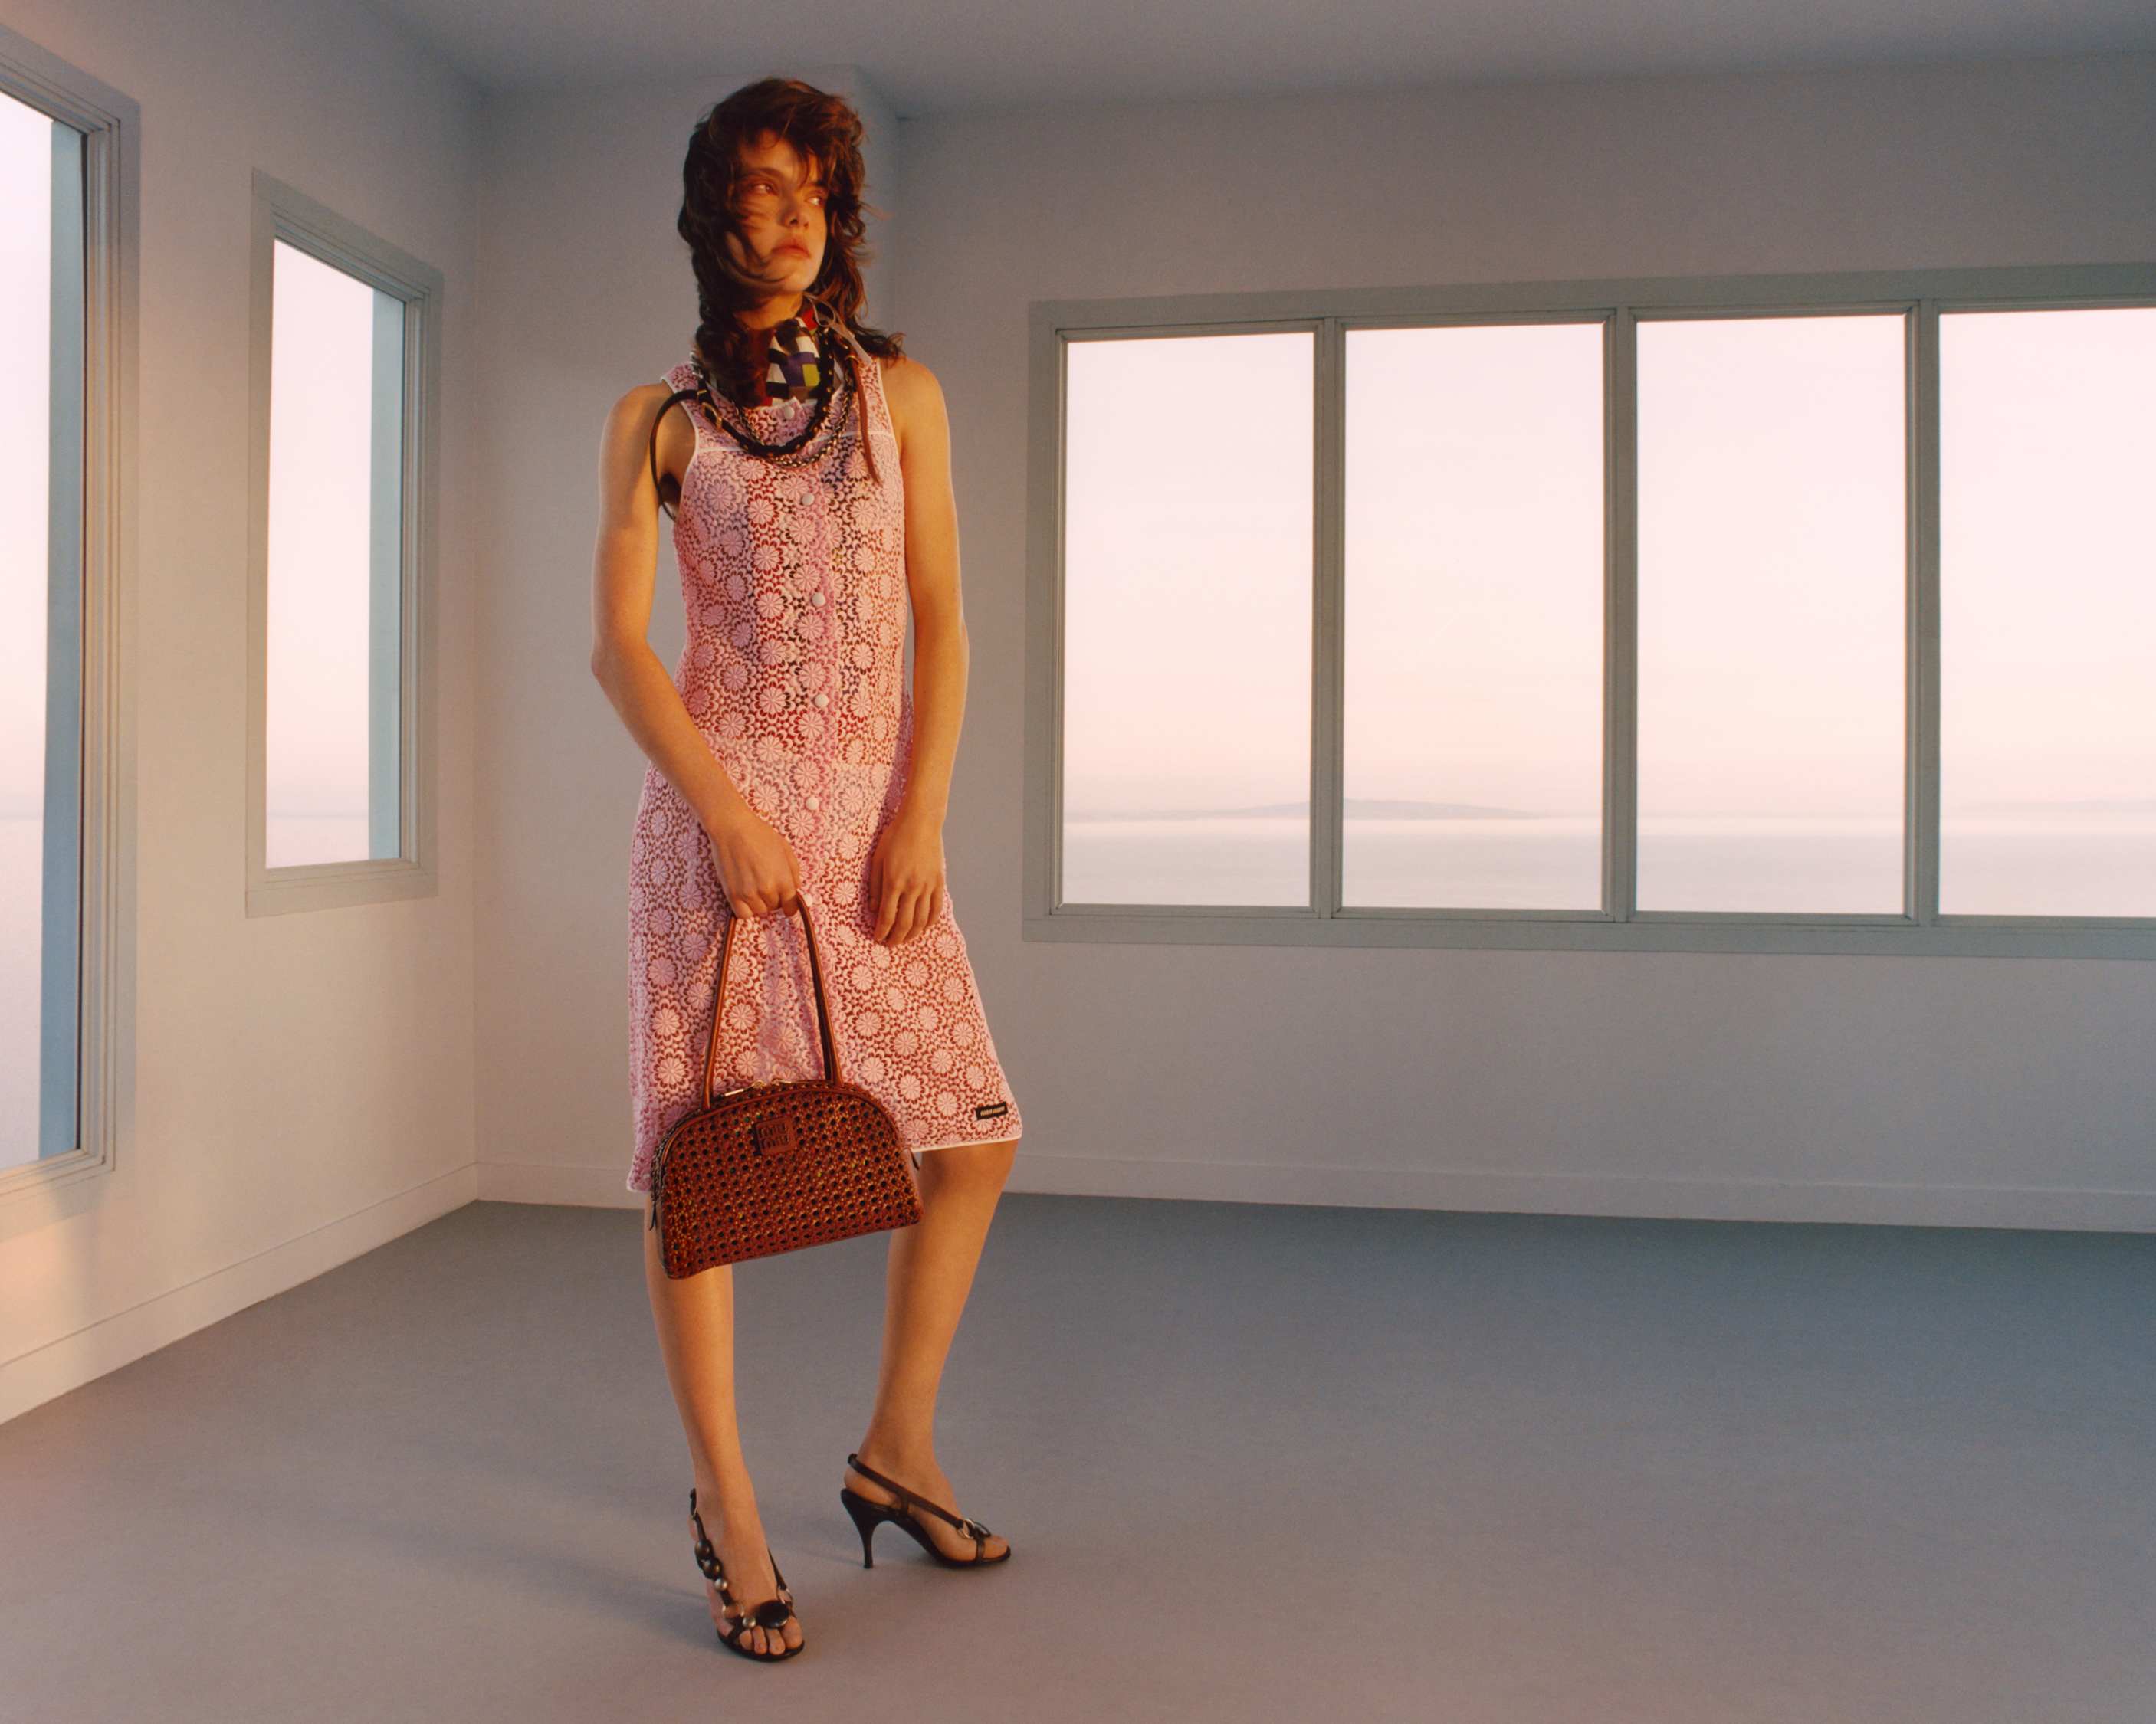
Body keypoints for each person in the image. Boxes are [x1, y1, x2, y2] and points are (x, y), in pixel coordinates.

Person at [589, 78, 1023, 1663]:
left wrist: (922, 815)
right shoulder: (658, 419)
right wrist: (720, 809)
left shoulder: (901, 394)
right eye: (750, 195)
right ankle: (729, 1506)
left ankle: (896, 1448)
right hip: (715, 831)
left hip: (868, 819)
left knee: (969, 1136)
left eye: (805, 194)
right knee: (700, 1168)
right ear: (709, 217)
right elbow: (619, 648)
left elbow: (944, 622)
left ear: (837, 214)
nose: (778, 222)